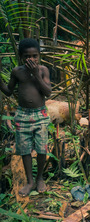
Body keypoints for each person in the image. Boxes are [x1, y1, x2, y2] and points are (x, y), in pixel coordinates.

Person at [0, 38, 52, 197]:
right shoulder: (17, 72)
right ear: (21, 57)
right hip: (22, 115)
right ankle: (30, 182)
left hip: (40, 114)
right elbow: (8, 91)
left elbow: (48, 93)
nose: (32, 59)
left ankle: (40, 178)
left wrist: (36, 75)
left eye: (35, 56)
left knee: (42, 148)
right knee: (24, 150)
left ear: (39, 56)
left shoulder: (43, 70)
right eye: (27, 56)